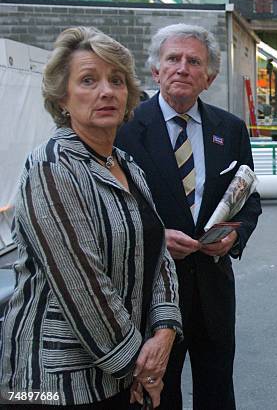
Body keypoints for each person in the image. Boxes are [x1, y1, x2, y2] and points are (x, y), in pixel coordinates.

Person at [0, 27, 181, 408]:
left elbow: (159, 253)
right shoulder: (51, 167)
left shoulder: (127, 165)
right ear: (62, 98)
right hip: (56, 383)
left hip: (123, 370)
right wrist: (140, 367)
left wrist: (164, 330)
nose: (107, 91)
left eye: (116, 80)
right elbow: (82, 284)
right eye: (88, 80)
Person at [116, 23, 262, 409]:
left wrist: (237, 235)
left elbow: (248, 198)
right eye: (173, 59)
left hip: (213, 291)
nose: (183, 68)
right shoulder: (124, 129)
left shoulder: (229, 130)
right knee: (157, 393)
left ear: (208, 77)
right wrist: (156, 239)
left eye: (193, 61)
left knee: (217, 391)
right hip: (150, 292)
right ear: (155, 71)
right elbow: (111, 209)